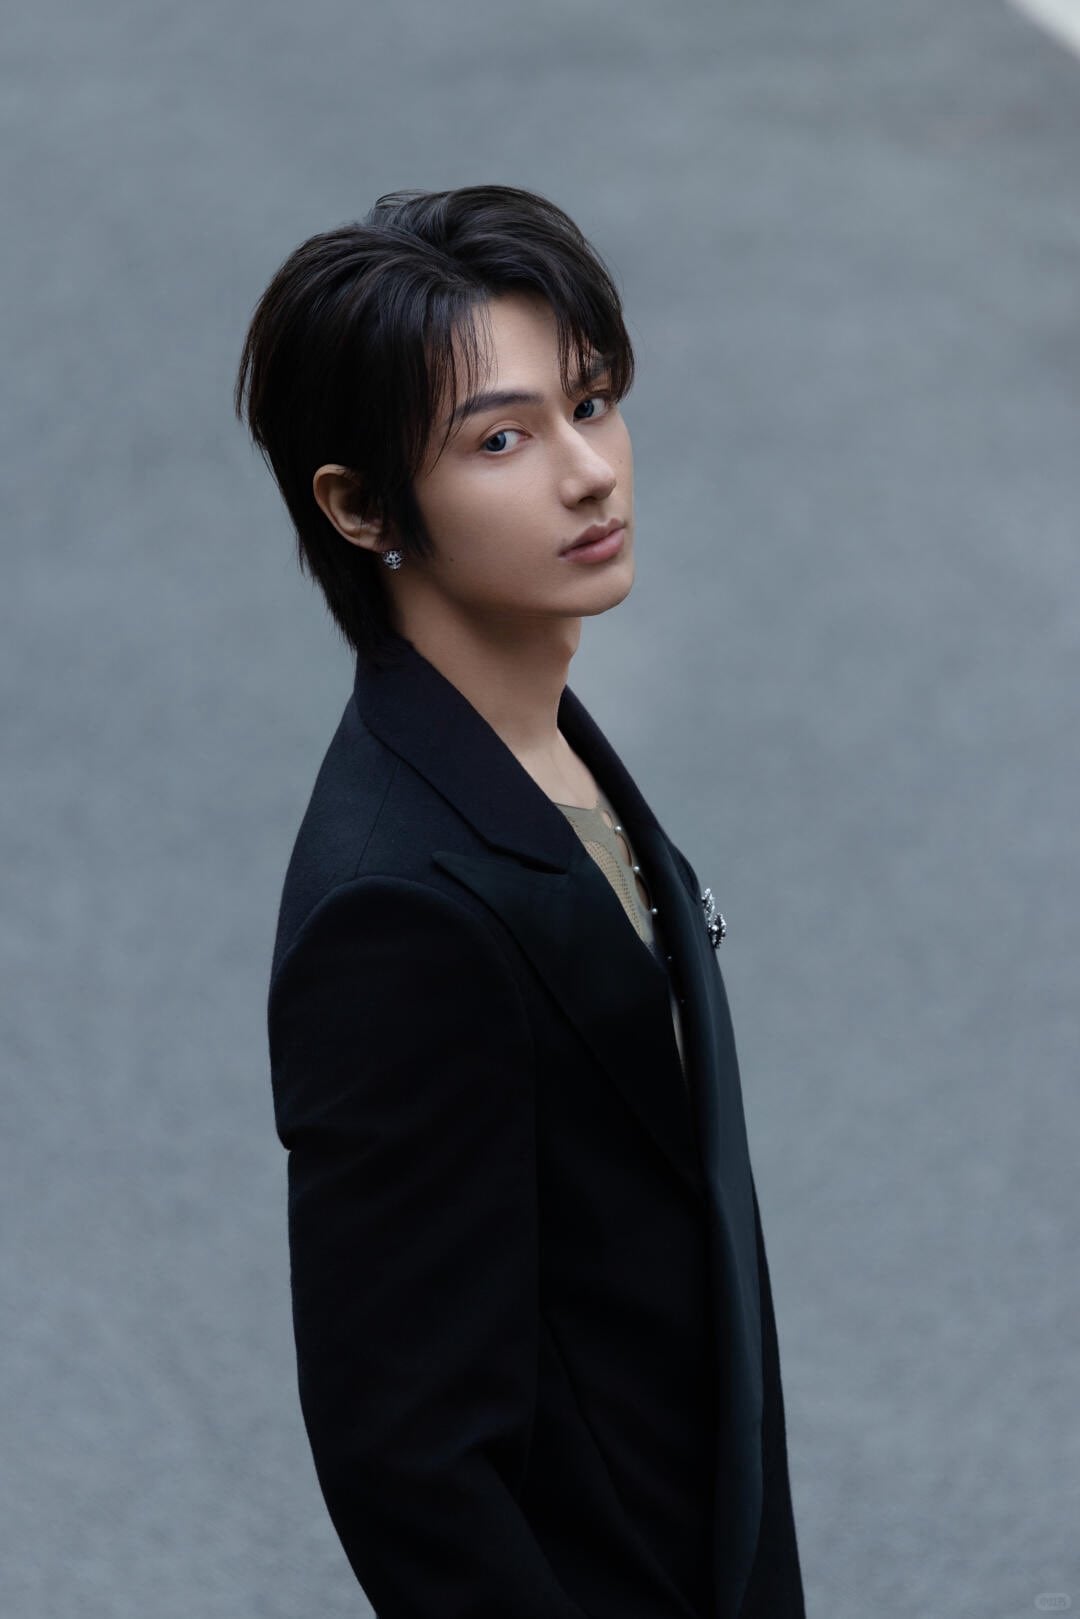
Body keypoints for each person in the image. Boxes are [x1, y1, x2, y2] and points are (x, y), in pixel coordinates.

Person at [236, 184, 805, 1619]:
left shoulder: (545, 748)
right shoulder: (397, 915)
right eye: (502, 439)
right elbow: (407, 1459)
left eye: (592, 404)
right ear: (361, 507)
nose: (590, 472)